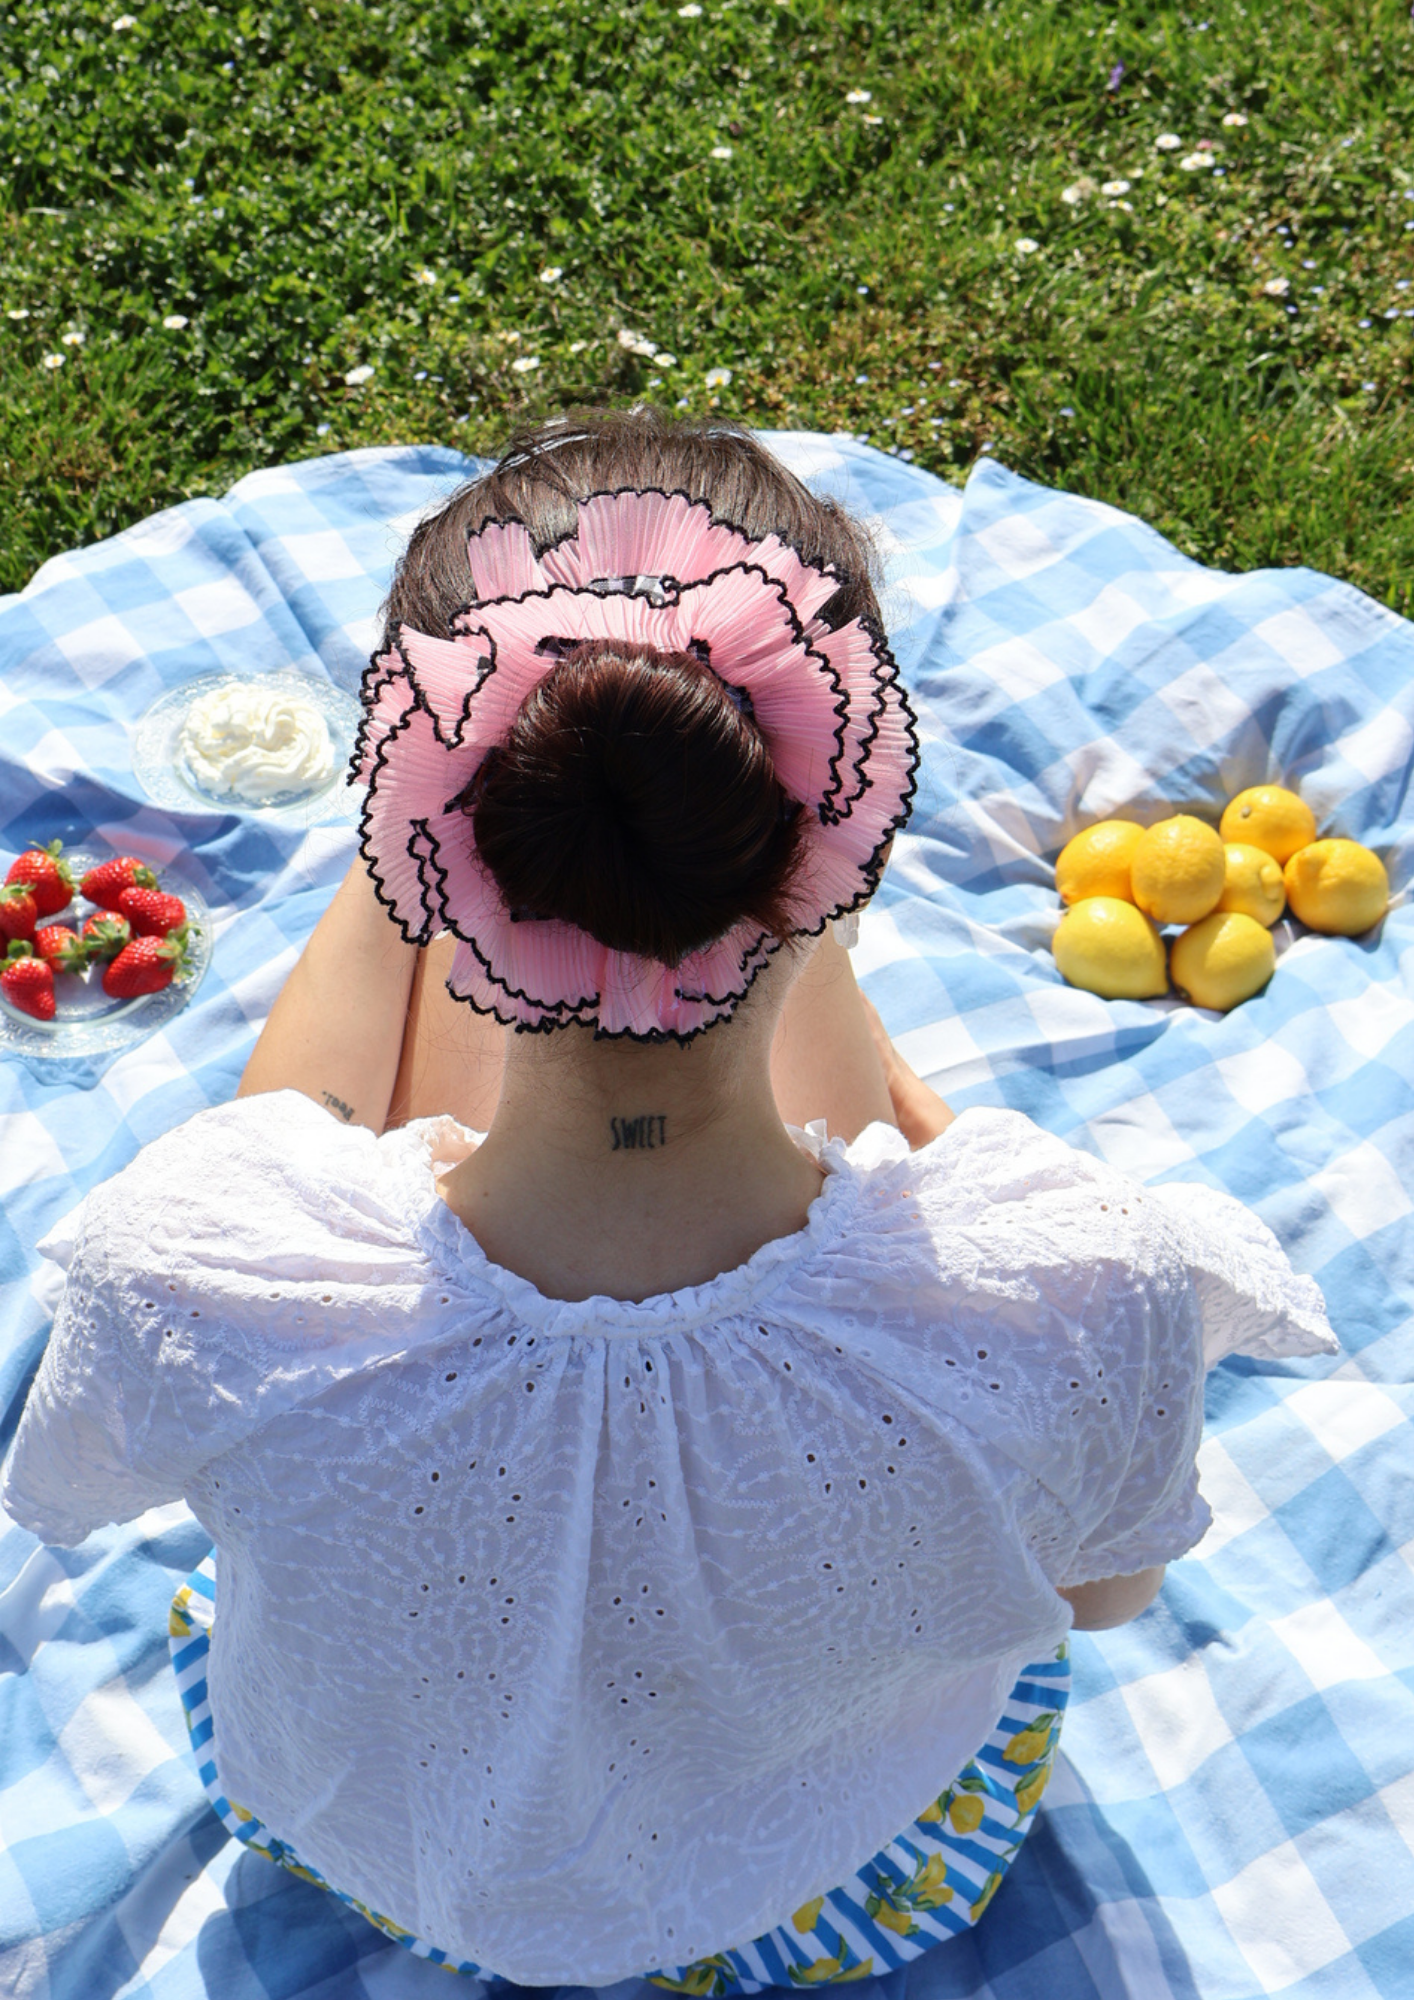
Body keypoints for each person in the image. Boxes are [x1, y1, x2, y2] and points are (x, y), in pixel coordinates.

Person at [2, 409, 1334, 1992]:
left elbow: (281, 1141)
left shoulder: (201, 1272)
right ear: (844, 824)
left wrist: (405, 857)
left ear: (434, 827)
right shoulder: (1079, 1293)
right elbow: (1104, 1600)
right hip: (845, 1878)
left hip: (399, 1854)